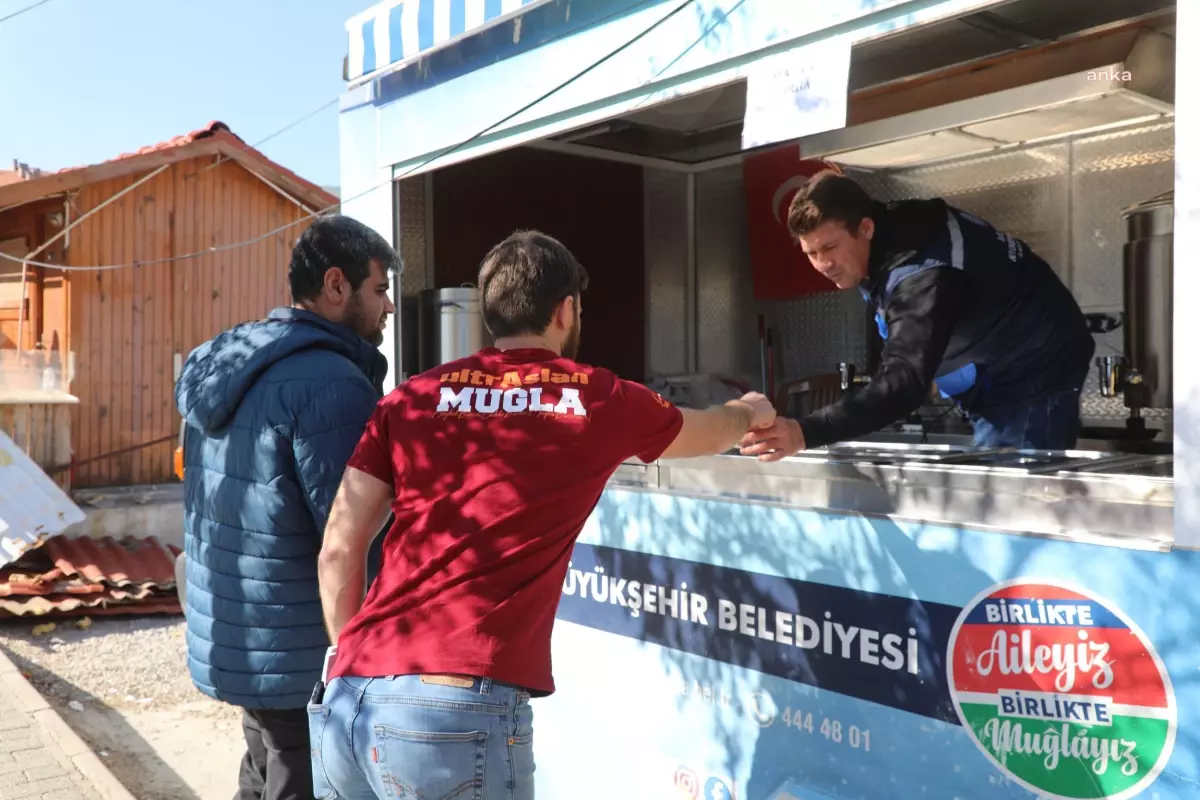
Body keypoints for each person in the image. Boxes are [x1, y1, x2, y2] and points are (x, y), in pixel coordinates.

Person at [310, 230, 775, 799]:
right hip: (454, 711)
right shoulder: (595, 399)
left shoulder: (410, 398)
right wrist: (747, 410)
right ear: (565, 310)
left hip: (348, 703)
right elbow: (706, 431)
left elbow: (339, 545)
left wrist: (345, 658)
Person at [174, 214, 398, 800]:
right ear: (336, 285)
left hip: (242, 633)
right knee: (297, 775)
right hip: (300, 644)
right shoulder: (332, 384)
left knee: (264, 762)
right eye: (380, 290)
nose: (390, 308)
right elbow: (354, 531)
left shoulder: (232, 362)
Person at [742, 171, 1094, 461]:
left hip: (1031, 376)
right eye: (811, 252)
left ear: (865, 228)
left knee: (1019, 506)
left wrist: (805, 432)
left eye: (830, 248)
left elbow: (905, 381)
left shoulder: (924, 275)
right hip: (993, 380)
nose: (822, 264)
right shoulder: (887, 238)